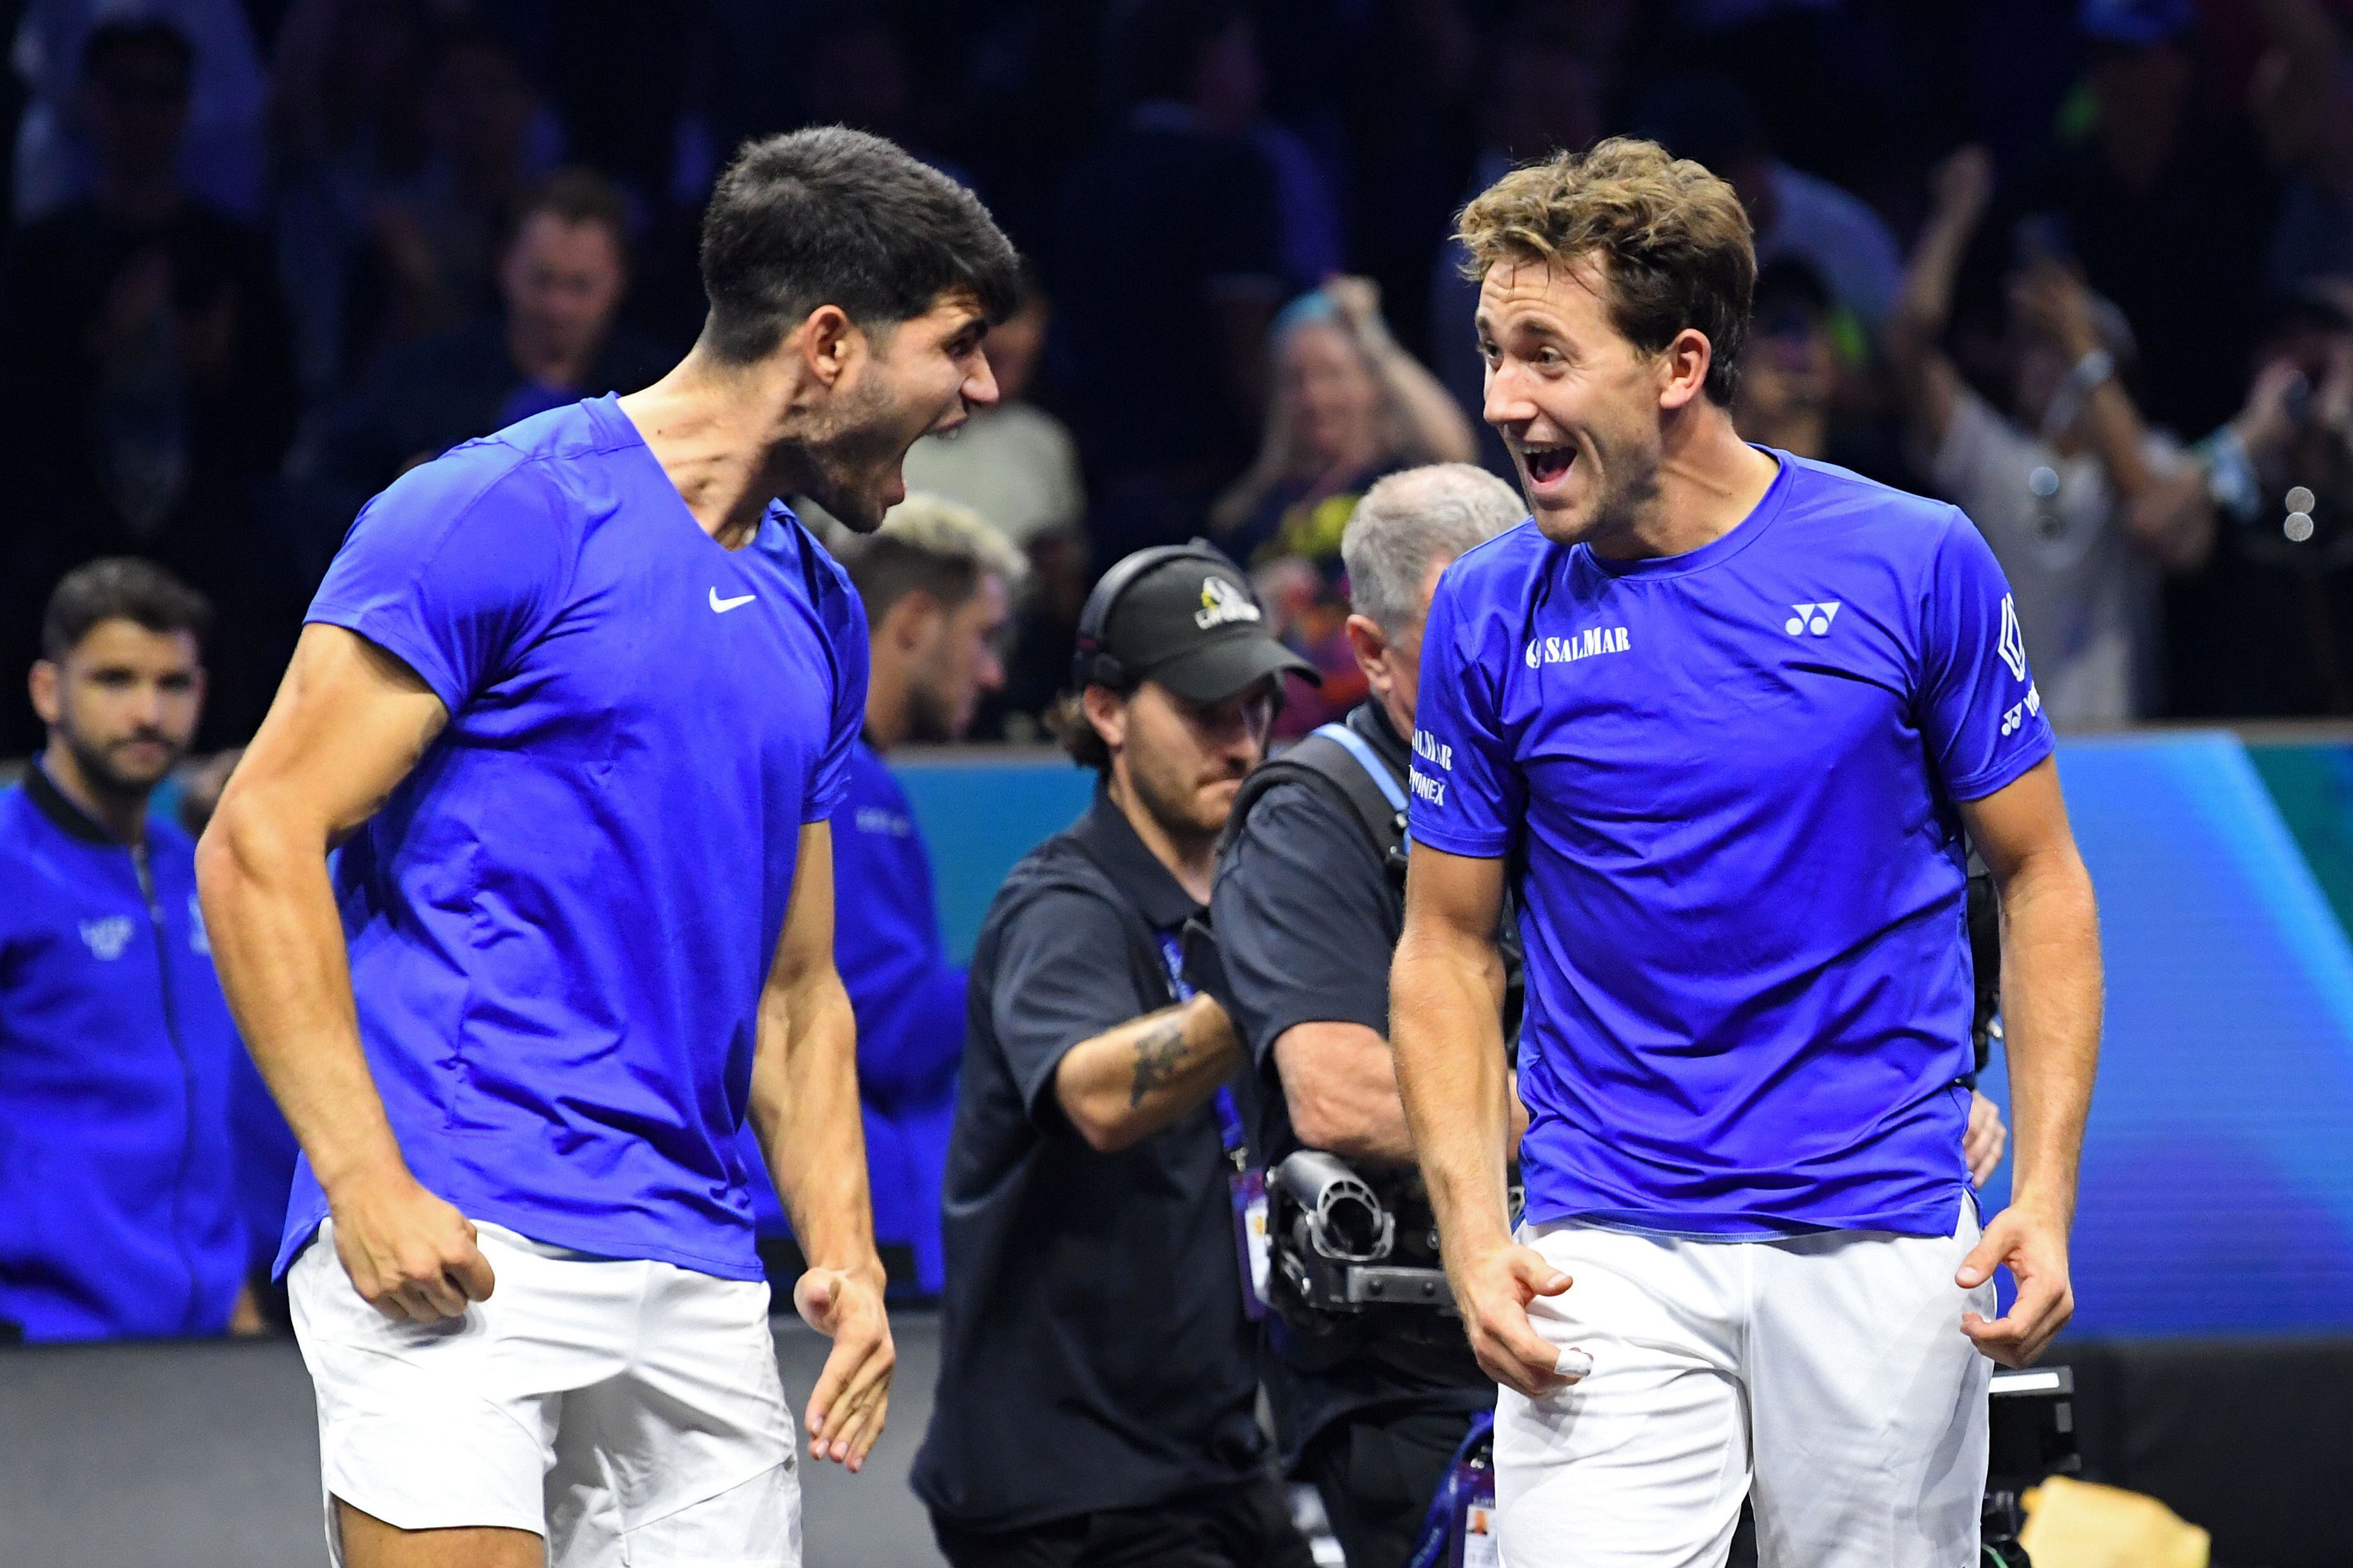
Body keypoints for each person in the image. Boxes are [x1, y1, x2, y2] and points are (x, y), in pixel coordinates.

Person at [195, 127, 1017, 1566]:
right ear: (829, 344)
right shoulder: (500, 511)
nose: (983, 391)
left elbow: (799, 990)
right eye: (957, 346)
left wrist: (842, 1251)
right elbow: (259, 839)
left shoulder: (818, 608)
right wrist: (364, 1183)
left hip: (697, 1269)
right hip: (460, 1228)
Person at [1393, 139, 2102, 1565]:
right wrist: (1473, 1236)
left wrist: (2039, 1193)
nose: (1497, 401)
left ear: (1677, 364)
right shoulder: (1482, 611)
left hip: (1879, 1234)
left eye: (1542, 353)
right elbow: (1444, 948)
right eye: (1488, 352)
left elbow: (2036, 877)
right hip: (1603, 1239)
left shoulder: (1910, 560)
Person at [914, 544, 1319, 1568]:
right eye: (1203, 706)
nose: (1241, 739)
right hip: (1070, 1487)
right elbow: (1095, 1091)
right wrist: (1270, 974)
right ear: (1104, 711)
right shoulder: (1062, 904)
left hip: (1211, 1458)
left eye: (1258, 705)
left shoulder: (1227, 905)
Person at [1211, 463, 1525, 1567]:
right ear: (1373, 651)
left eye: (1521, 618)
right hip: (1414, 1378)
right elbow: (1337, 1092)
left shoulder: (1573, 774)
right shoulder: (1313, 813)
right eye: (1462, 633)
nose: (1502, 662)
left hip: (1599, 1317)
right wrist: (1618, 1115)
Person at [740, 493, 1026, 1297]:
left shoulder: (829, 772)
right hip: (815, 1228)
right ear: (913, 625)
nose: (994, 670)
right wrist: (1037, 972)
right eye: (982, 635)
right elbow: (881, 1026)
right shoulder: (847, 785)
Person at [0, 16, 297, 757]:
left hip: (205, 542)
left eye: (161, 93)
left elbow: (276, 423)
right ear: (89, 103)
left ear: (186, 107)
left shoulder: (232, 255)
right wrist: (99, 351)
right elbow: (16, 419)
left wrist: (214, 375)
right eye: (123, 91)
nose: (141, 112)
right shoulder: (42, 258)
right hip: (64, 531)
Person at [0, 559, 258, 1343]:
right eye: (114, 679)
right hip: (37, 1340)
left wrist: (238, 1292)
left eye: (172, 684)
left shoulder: (205, 872)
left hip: (203, 1340)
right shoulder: (9, 864)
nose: (148, 712)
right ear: (50, 691)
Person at [1889, 144, 2214, 727]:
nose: (2048, 363)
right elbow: (1909, 346)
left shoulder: (2154, 458)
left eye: (2068, 350)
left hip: (2123, 752)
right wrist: (1955, 218)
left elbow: (2154, 518)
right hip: (2001, 755)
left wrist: (2080, 344)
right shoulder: (1993, 453)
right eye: (2036, 344)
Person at [303, 165, 674, 543]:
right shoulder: (425, 378)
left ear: (619, 281)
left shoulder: (659, 393)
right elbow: (324, 494)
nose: (558, 307)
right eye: (542, 280)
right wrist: (400, 505)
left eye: (579, 286)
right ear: (506, 267)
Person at [1212, 278, 1478, 732]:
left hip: (1391, 733)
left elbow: (1456, 451)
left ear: (1374, 381)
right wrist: (1255, 599)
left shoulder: (1405, 484)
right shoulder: (1248, 510)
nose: (1315, 398)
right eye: (1297, 381)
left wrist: (1373, 338)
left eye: (1333, 374)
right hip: (1281, 739)